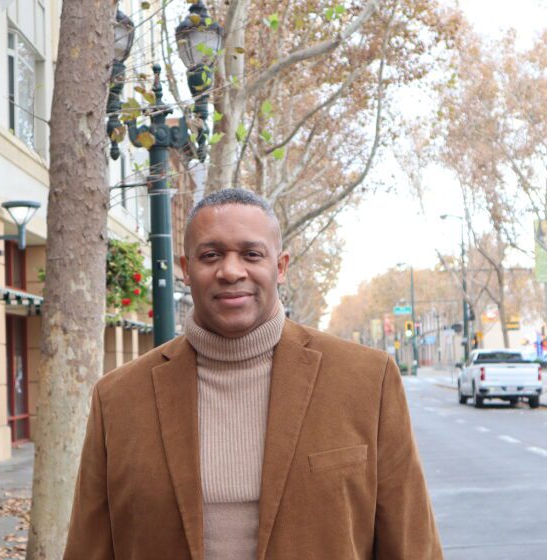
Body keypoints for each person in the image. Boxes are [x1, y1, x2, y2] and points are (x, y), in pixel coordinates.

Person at [65, 188, 442, 559]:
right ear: (185, 269)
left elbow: (412, 544)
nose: (230, 271)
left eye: (251, 254)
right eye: (211, 255)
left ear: (280, 267)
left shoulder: (367, 380)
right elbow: (90, 547)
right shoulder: (117, 398)